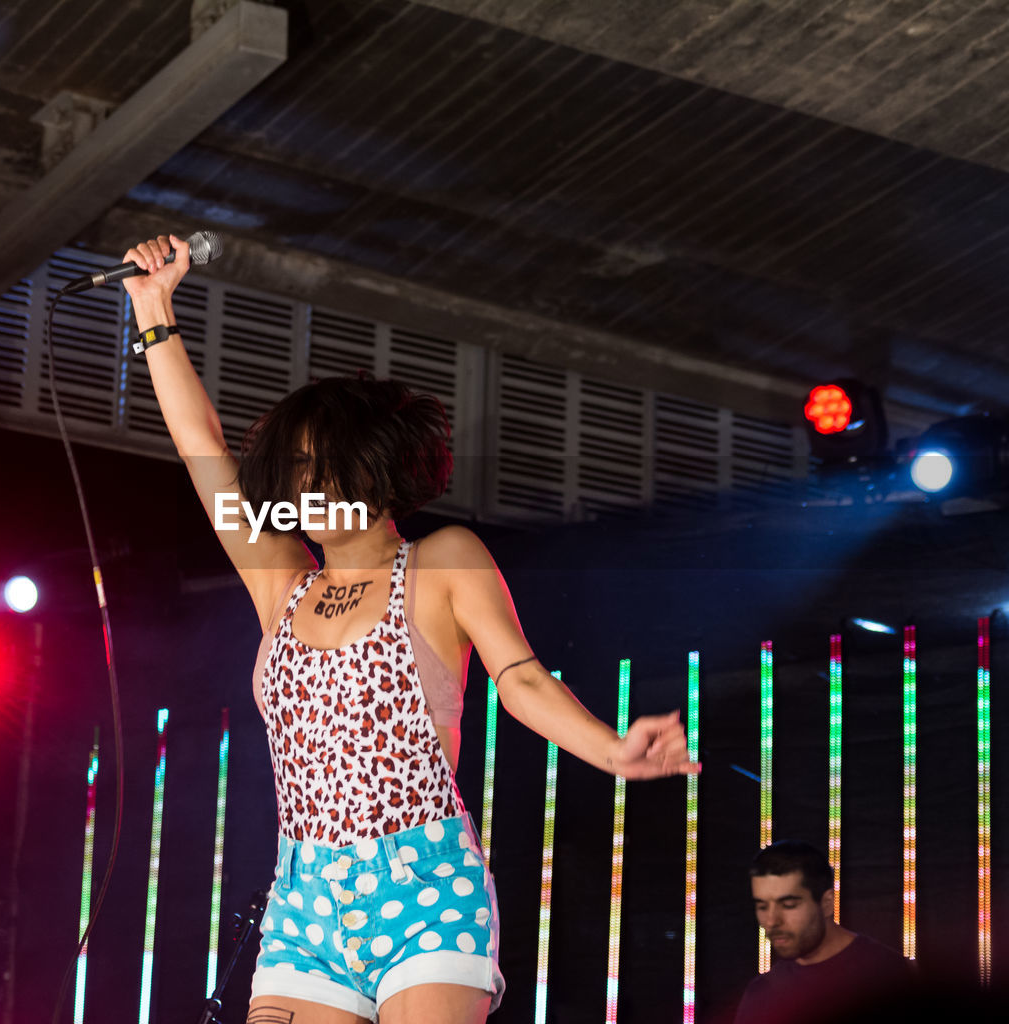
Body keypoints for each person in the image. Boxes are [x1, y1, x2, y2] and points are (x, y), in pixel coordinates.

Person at [122, 235, 699, 1024]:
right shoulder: (281, 583)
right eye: (287, 472)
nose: (293, 485)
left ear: (369, 470)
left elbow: (521, 678)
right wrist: (154, 310)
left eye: (310, 466)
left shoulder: (440, 562)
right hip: (304, 900)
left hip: (424, 887)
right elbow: (203, 452)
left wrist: (611, 751)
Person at [736, 840, 912, 1024]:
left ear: (827, 903)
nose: (772, 921)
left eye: (788, 905)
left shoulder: (886, 976)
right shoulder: (762, 992)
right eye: (762, 907)